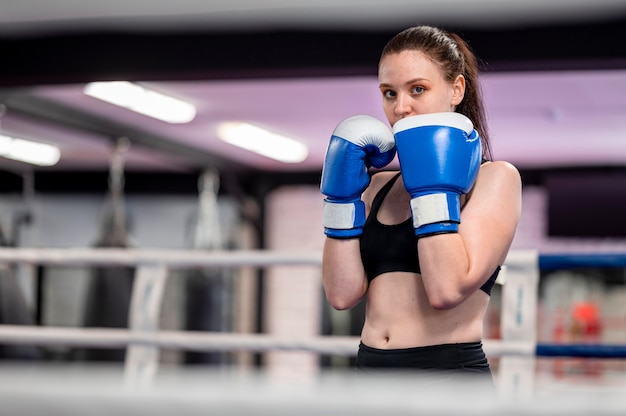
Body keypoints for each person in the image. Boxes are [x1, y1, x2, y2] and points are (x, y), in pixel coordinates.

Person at [319, 25, 522, 389]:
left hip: (446, 375)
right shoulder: (378, 184)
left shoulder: (495, 180)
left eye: (417, 89)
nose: (401, 108)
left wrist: (431, 187)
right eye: (388, 93)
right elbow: (341, 294)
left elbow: (446, 290)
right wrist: (341, 199)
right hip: (369, 372)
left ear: (456, 89)